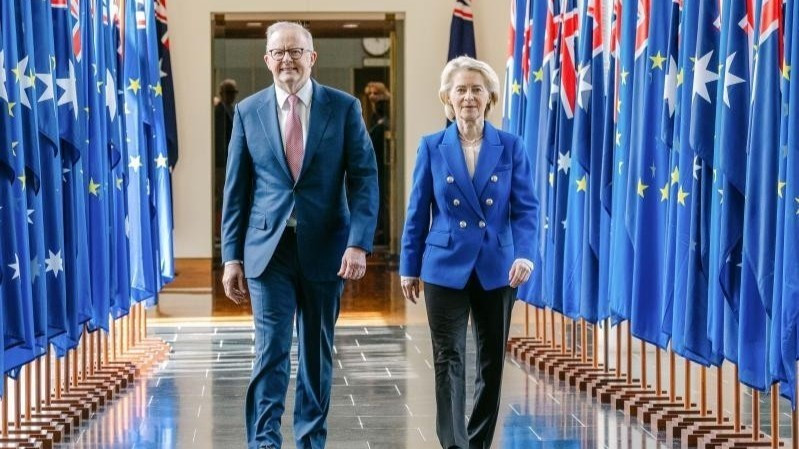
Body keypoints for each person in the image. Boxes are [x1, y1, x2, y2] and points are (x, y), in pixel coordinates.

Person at [221, 22, 379, 449]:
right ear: (267, 60)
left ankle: (310, 441)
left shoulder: (343, 108)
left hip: (326, 249)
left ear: (312, 58)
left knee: (315, 353)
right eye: (279, 52)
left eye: (296, 51)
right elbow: (236, 189)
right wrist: (231, 257)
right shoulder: (248, 111)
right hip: (267, 251)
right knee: (270, 350)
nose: (287, 59)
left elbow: (364, 179)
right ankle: (264, 442)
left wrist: (358, 243)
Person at [399, 56, 539, 449]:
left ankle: (477, 443)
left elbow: (526, 209)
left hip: (498, 267)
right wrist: (409, 265)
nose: (468, 97)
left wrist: (525, 254)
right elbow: (417, 210)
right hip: (444, 266)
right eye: (460, 89)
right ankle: (454, 444)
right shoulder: (432, 146)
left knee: (491, 363)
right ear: (447, 97)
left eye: (477, 89)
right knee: (448, 358)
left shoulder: (510, 146)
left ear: (490, 97)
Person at [362, 81, 391, 245]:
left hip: (383, 159)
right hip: (376, 157)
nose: (373, 97)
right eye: (370, 93)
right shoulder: (372, 112)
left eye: (376, 93)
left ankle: (382, 231)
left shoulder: (385, 108)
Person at [214, 79, 239, 247]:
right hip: (221, 162)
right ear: (222, 94)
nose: (231, 96)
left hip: (227, 161)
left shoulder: (230, 110)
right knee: (222, 197)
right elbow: (220, 139)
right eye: (228, 93)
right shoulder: (219, 112)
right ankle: (219, 231)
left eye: (233, 93)